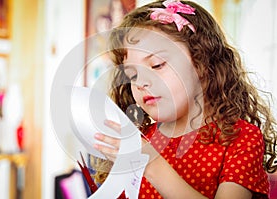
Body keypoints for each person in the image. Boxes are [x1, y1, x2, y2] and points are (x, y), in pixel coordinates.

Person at [90, 0, 277, 198]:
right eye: (132, 75)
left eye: (157, 65)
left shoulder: (241, 139)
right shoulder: (140, 140)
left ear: (203, 64)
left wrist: (151, 164)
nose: (141, 82)